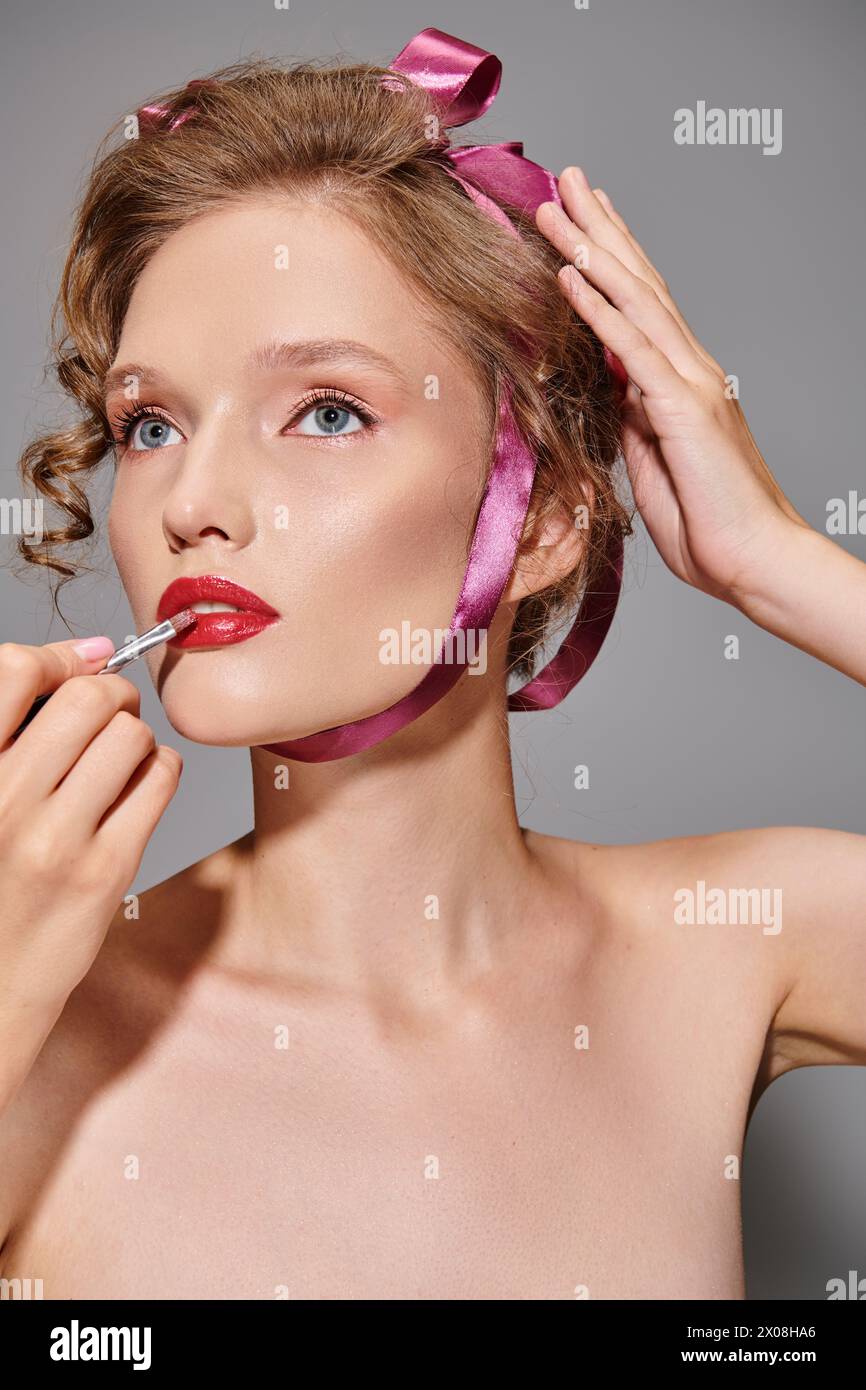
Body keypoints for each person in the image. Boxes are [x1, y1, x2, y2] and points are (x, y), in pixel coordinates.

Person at [0, 28, 863, 1300]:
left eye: (328, 410)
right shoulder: (45, 1039)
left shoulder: (735, 944)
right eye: (151, 424)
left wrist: (779, 566)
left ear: (547, 518)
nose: (194, 501)